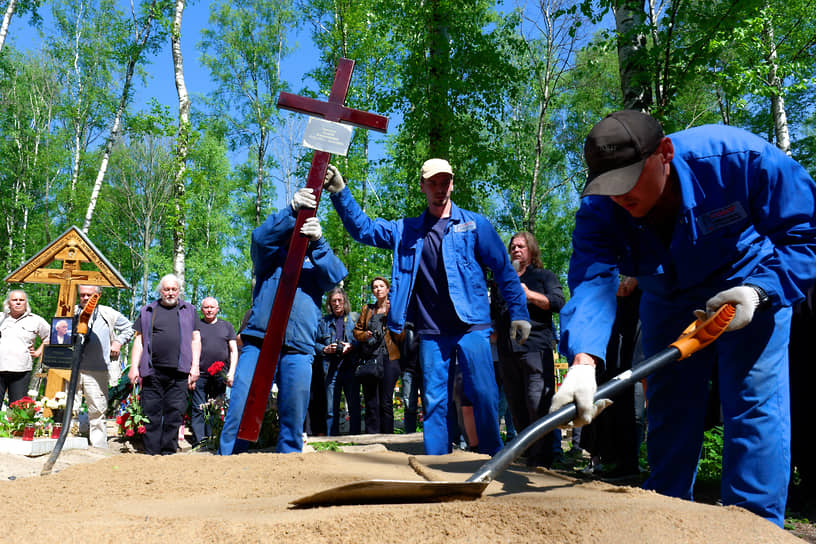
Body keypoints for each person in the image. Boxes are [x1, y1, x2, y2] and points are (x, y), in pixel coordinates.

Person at [550, 109, 816, 527]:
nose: (620, 197)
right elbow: (591, 279)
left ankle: (753, 529)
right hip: (666, 296)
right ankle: (666, 520)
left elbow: (805, 233)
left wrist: (761, 291)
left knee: (752, 405)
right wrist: (583, 362)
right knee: (670, 410)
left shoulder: (737, 159)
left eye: (628, 181)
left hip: (746, 287)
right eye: (608, 187)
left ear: (665, 154)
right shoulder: (600, 208)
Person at [324, 159, 531, 455]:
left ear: (452, 184)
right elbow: (365, 230)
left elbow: (504, 270)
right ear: (422, 186)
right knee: (434, 400)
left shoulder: (475, 225)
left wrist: (519, 313)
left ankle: (491, 460)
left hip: (472, 326)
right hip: (432, 332)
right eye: (432, 183)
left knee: (484, 395)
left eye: (444, 182)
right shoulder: (406, 230)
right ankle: (438, 462)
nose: (439, 188)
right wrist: (341, 193)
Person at [218, 187, 347, 454]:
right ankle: (228, 457)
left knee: (294, 411)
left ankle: (287, 464)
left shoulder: (315, 267)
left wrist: (320, 243)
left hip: (299, 348)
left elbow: (336, 275)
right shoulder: (268, 260)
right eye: (293, 228)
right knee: (241, 404)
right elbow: (259, 239)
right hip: (259, 343)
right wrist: (290, 210)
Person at [492, 231, 565, 467]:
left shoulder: (544, 276)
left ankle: (545, 460)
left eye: (521, 246)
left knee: (538, 404)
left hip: (535, 348)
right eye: (512, 246)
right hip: (506, 351)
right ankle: (528, 457)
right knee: (516, 407)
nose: (515, 250)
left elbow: (558, 303)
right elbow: (495, 313)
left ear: (531, 251)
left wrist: (529, 295)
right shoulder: (501, 281)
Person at [129, 274, 201, 455]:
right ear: (160, 291)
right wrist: (133, 367)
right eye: (166, 289)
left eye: (174, 289)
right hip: (152, 371)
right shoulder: (147, 311)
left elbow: (196, 339)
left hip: (179, 371)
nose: (170, 293)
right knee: (151, 413)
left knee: (175, 413)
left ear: (179, 291)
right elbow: (139, 340)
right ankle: (152, 452)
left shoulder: (189, 310)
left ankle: (168, 451)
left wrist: (195, 366)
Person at [74, 285, 135, 449]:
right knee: (69, 407)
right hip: (72, 369)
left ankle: (99, 446)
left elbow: (130, 328)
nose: (85, 298)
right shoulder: (71, 313)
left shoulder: (107, 313)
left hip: (98, 369)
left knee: (97, 408)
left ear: (98, 295)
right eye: (82, 295)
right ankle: (70, 440)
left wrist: (118, 341)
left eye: (89, 295)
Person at [354, 277, 402, 434]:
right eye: (375, 287)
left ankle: (388, 437)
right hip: (370, 358)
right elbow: (356, 331)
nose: (378, 289)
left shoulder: (396, 309)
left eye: (381, 286)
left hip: (390, 358)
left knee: (386, 402)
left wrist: (391, 316)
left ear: (388, 289)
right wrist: (365, 336)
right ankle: (371, 437)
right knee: (370, 401)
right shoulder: (367, 309)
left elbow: (402, 336)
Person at [190, 296, 238, 447]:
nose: (209, 310)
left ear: (217, 309)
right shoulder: (196, 326)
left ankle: (212, 438)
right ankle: (200, 441)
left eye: (212, 307)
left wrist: (231, 372)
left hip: (220, 375)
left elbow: (234, 350)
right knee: (198, 407)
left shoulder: (227, 327)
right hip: (201, 373)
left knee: (216, 408)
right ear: (202, 309)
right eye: (206, 307)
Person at [316, 287, 360, 436]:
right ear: (329, 303)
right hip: (331, 370)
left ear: (344, 302)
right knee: (330, 410)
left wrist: (351, 346)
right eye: (333, 301)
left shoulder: (354, 319)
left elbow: (363, 341)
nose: (336, 303)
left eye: (339, 300)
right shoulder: (323, 322)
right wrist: (324, 349)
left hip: (351, 370)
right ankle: (331, 441)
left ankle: (356, 442)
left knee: (354, 408)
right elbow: (314, 343)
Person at [0, 289, 49, 406]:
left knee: (18, 409)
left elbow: (52, 335)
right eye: (14, 300)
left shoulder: (36, 320)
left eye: (21, 300)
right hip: (0, 367)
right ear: (8, 303)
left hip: (21, 371)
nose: (18, 302)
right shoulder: (1, 318)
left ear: (26, 303)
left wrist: (38, 352)